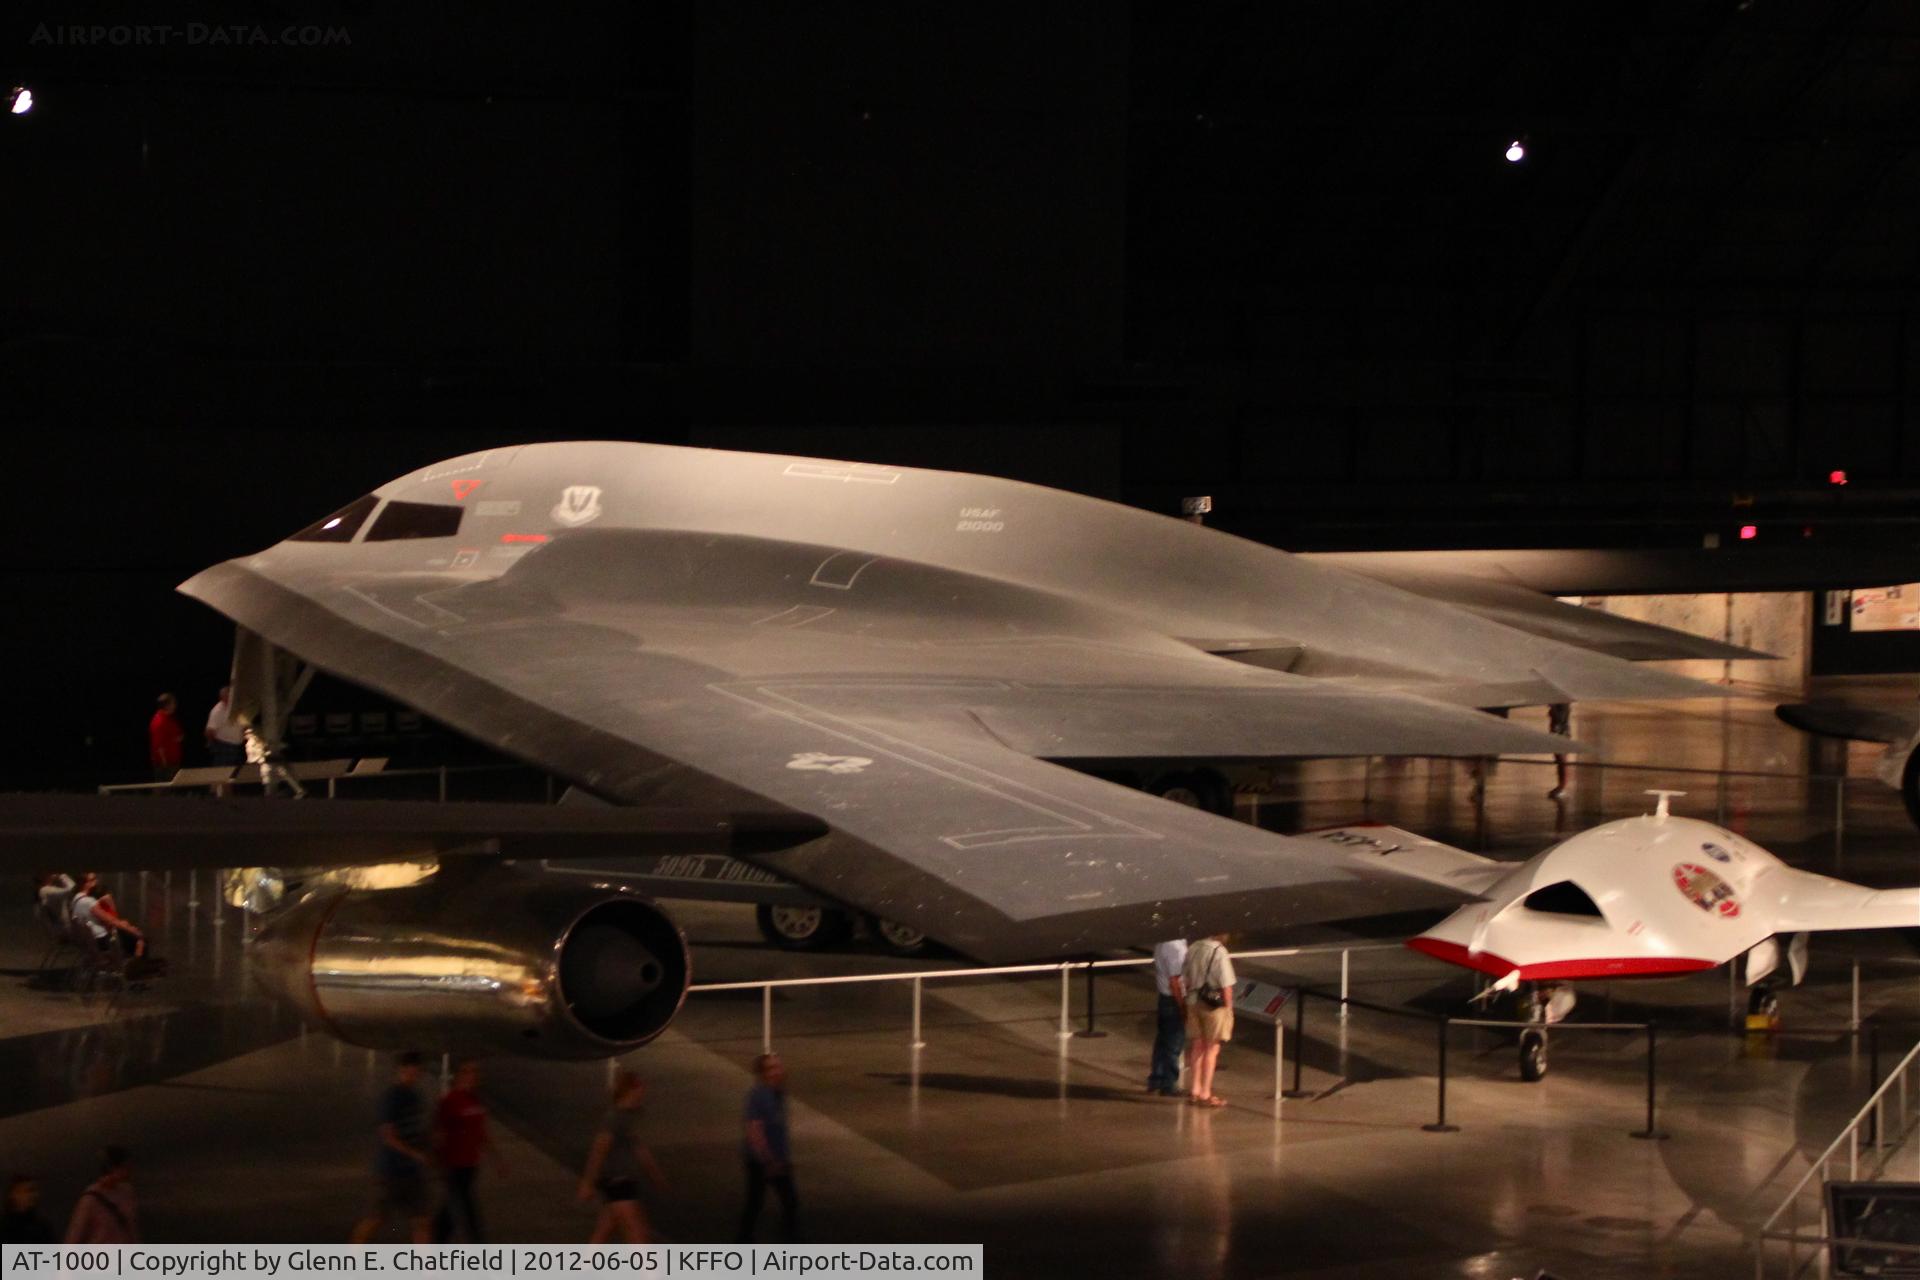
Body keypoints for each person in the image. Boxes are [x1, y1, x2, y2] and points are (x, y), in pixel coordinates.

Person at [352, 1052, 433, 1244]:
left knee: (422, 1221)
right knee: (375, 1219)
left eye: (416, 1072)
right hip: (390, 1172)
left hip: (412, 1173)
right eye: (409, 1072)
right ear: (401, 1071)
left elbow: (417, 1129)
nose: (412, 1076)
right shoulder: (392, 1097)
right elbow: (388, 1136)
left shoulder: (415, 1096)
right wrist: (415, 1154)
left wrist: (427, 1149)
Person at [578, 1070, 665, 1244]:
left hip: (622, 1181)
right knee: (636, 1229)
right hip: (617, 1181)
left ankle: (584, 1266)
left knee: (605, 1228)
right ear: (630, 1090)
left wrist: (655, 1174)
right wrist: (588, 1182)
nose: (643, 1091)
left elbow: (639, 1149)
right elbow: (599, 1149)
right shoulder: (615, 1118)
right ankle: (648, 1270)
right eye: (640, 1086)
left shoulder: (628, 1117)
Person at [433, 1059, 502, 1243]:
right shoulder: (450, 1101)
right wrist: (439, 1163)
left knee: (451, 1209)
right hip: (454, 1165)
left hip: (470, 1164)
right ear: (459, 1076)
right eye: (468, 1072)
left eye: (475, 1073)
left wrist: (496, 1158)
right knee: (467, 1209)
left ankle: (436, 1242)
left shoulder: (475, 1100)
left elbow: (481, 1132)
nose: (473, 1077)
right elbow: (438, 1133)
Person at [737, 1053, 798, 1243]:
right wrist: (769, 1160)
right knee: (768, 1202)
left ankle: (745, 1240)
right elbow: (754, 1130)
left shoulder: (778, 1093)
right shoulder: (759, 1095)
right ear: (763, 1073)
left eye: (778, 1066)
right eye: (772, 1068)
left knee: (764, 1202)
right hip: (763, 1161)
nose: (777, 1071)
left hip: (777, 1159)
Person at [1182, 933, 1236, 1108]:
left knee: (1197, 1046)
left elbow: (1186, 979)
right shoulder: (1220, 952)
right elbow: (1226, 985)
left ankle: (1195, 1090)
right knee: (1212, 1049)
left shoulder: (1193, 948)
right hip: (1213, 1006)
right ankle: (1206, 1093)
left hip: (1193, 1001)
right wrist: (1229, 1010)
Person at [65, 1147, 138, 1243]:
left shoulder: (127, 1192)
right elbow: (75, 1236)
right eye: (125, 1167)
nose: (129, 1171)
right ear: (113, 1168)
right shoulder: (90, 1199)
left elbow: (131, 1229)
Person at [1146, 938, 1188, 1097]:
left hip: (1164, 997)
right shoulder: (1175, 947)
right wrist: (1182, 1005)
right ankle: (1169, 1083)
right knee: (1173, 1043)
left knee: (1162, 1040)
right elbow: (1175, 981)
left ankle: (1156, 1078)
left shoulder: (1162, 942)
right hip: (1173, 998)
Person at [70, 873, 145, 958]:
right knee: (139, 939)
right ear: (86, 884)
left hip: (88, 942)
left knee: (125, 928)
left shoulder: (76, 899)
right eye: (93, 879)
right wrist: (133, 930)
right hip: (101, 941)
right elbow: (110, 920)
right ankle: (134, 966)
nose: (96, 881)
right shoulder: (89, 902)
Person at [3, 1175, 55, 1242]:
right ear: (15, 1193)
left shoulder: (42, 1228)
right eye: (29, 1190)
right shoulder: (4, 1227)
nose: (34, 1195)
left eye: (35, 1191)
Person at [204, 686, 245, 766]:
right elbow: (209, 730)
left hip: (238, 746)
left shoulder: (237, 707)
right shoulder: (217, 711)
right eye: (226, 696)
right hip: (224, 747)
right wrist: (214, 744)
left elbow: (243, 723)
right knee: (223, 772)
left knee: (237, 772)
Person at [148, 694, 183, 782]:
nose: (175, 706)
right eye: (173, 704)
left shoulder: (168, 718)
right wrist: (164, 763)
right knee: (164, 788)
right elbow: (158, 745)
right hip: (166, 763)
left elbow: (175, 734)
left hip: (173, 760)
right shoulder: (159, 721)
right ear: (166, 705)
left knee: (171, 788)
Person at [1547, 702, 1573, 799]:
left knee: (1562, 761)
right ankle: (1560, 785)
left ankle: (1562, 786)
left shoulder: (1562, 704)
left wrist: (1552, 708)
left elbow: (1560, 718)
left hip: (1561, 734)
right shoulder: (1562, 703)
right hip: (1559, 733)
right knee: (1559, 761)